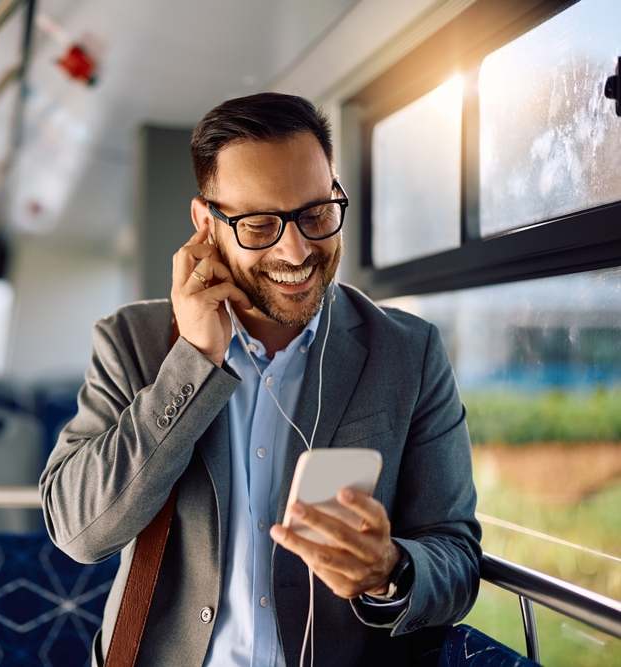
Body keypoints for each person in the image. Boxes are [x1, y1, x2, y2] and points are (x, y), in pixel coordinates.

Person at [39, 93, 481, 666]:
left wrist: (389, 571)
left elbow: (458, 557)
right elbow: (80, 531)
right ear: (206, 224)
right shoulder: (132, 340)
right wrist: (194, 360)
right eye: (260, 225)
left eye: (315, 214)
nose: (296, 250)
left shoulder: (409, 353)